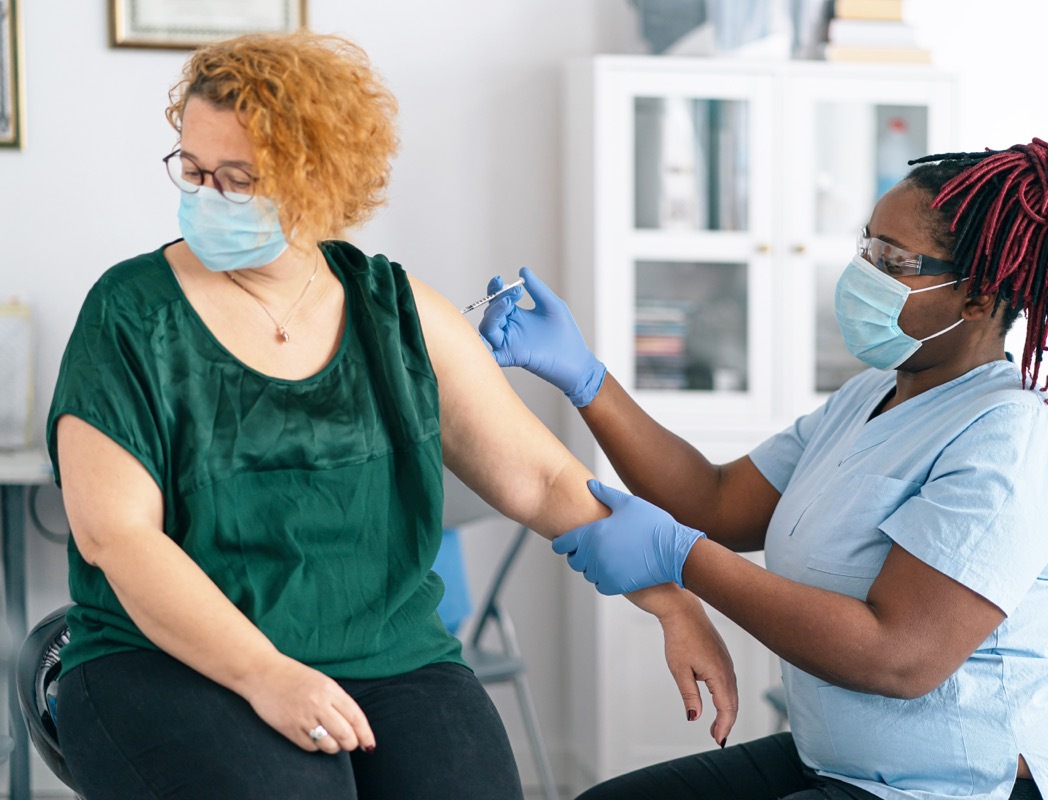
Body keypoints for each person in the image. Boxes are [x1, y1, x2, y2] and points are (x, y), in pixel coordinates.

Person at [47, 31, 739, 800]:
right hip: (171, 658)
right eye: (192, 168)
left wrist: (667, 600)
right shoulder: (131, 313)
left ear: (319, 181)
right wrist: (265, 673)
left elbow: (543, 482)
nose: (203, 195)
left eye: (235, 179)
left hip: (392, 657)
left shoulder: (397, 311)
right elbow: (117, 535)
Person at [479, 139, 1048, 800]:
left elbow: (899, 655)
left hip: (976, 783)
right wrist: (586, 379)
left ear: (976, 298)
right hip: (852, 762)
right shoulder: (871, 395)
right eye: (866, 245)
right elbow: (714, 500)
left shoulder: (1012, 438)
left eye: (892, 259)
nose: (863, 270)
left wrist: (683, 559)